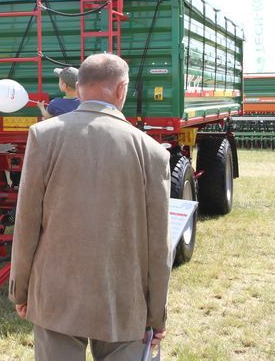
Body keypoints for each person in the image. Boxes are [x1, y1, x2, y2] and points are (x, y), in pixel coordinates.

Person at [10, 53, 172, 361]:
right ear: (121, 89)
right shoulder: (152, 152)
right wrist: (157, 314)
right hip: (125, 301)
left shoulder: (44, 136)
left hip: (55, 295)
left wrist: (21, 291)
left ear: (79, 87)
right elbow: (158, 248)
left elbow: (27, 222)